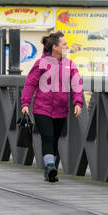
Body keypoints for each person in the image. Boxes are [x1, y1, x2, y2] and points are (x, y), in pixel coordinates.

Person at [21, 31, 83, 182]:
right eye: (64, 44)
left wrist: (77, 102)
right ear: (55, 47)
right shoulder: (41, 64)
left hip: (61, 110)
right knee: (47, 137)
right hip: (42, 108)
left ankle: (50, 169)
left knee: (54, 139)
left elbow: (77, 85)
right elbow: (30, 83)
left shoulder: (70, 65)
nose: (67, 46)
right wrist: (25, 103)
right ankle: (50, 166)